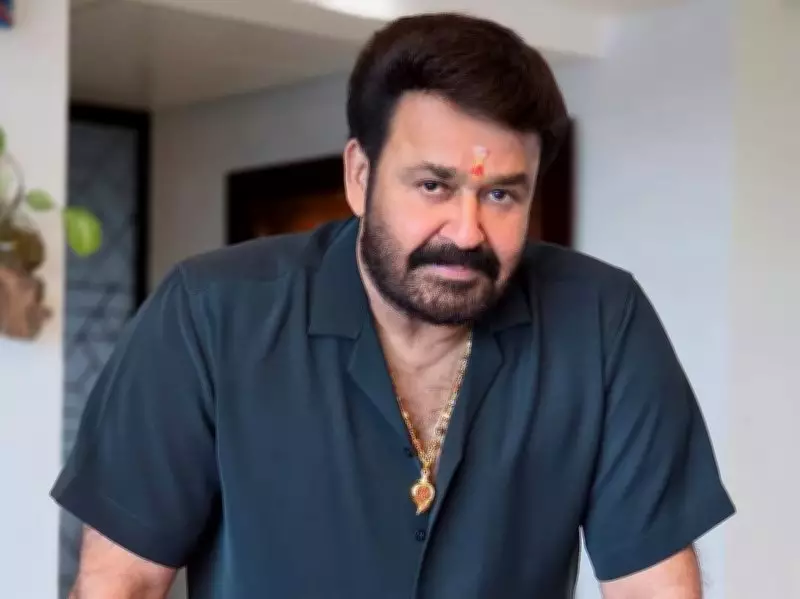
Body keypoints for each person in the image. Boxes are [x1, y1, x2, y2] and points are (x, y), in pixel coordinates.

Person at [52, 12, 735, 599]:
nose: (466, 232)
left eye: (500, 194)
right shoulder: (209, 316)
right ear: (360, 175)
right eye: (434, 186)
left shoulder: (602, 323)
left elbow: (654, 586)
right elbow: (122, 584)